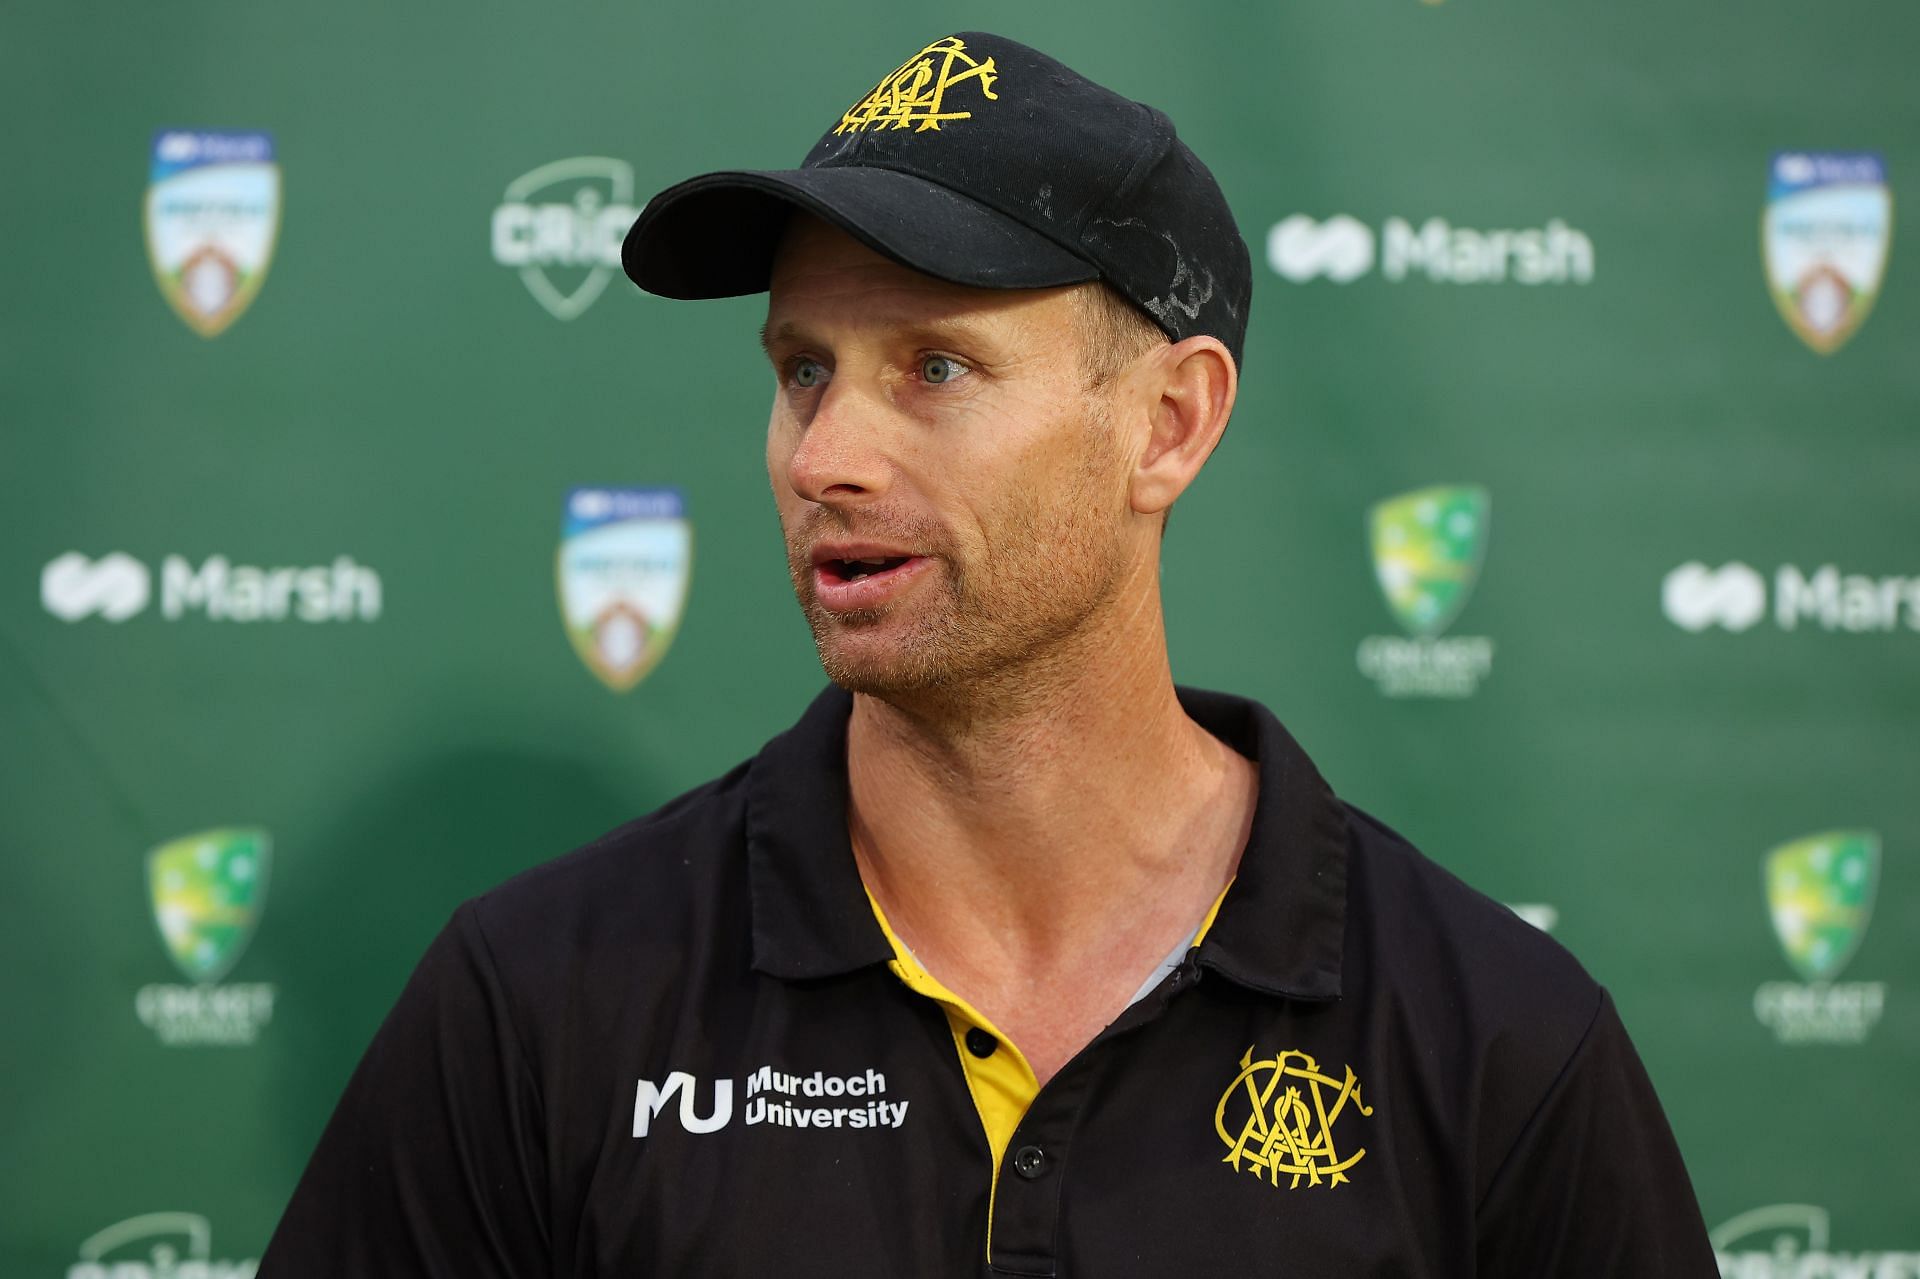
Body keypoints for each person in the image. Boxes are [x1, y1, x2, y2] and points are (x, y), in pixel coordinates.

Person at [261, 32, 1718, 1277]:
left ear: (1170, 424)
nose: (825, 454)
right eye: (802, 370)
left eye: (936, 368)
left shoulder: (1495, 1044)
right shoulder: (540, 1002)